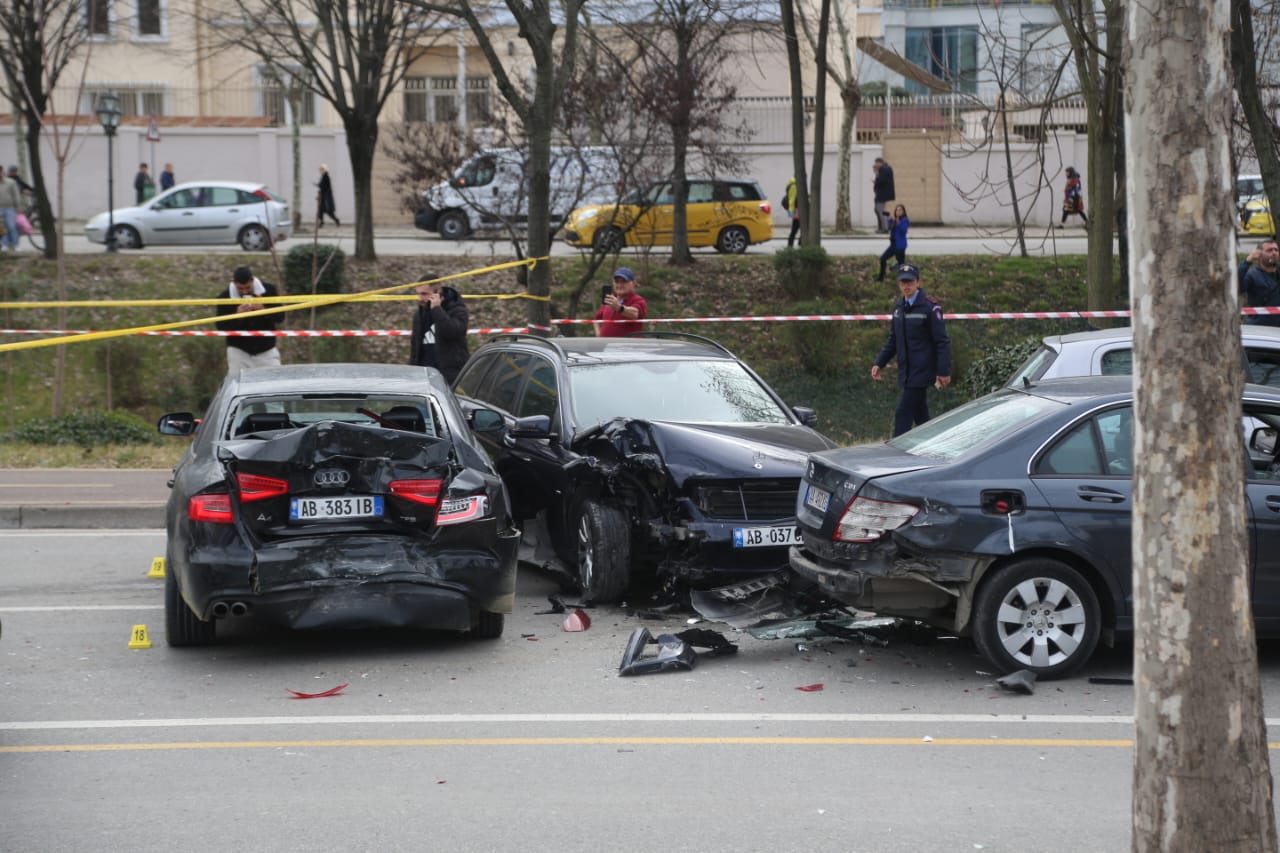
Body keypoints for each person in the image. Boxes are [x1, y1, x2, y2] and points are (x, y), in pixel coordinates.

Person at [871, 262, 951, 437]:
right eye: (902, 282)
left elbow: (942, 341)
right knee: (920, 415)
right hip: (906, 370)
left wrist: (943, 370)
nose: (906, 286)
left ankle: (896, 451)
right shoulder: (899, 307)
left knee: (903, 412)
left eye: (910, 282)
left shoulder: (930, 307)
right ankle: (934, 445)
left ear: (918, 283)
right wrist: (880, 362)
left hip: (922, 370)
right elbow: (893, 339)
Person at [215, 265, 282, 374]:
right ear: (234, 283)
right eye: (240, 289)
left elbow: (280, 317)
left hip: (266, 350)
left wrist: (264, 310)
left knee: (275, 382)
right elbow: (221, 327)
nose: (245, 292)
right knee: (237, 384)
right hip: (238, 351)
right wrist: (237, 315)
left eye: (248, 288)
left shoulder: (269, 290)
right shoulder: (224, 297)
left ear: (253, 281)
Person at [409, 275, 470, 384]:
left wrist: (437, 309)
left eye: (424, 294)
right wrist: (412, 371)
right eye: (418, 294)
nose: (420, 298)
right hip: (424, 375)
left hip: (450, 376)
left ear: (437, 292)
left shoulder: (457, 309)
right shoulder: (419, 314)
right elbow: (415, 347)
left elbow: (453, 332)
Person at [594, 267, 648, 337]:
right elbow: (596, 319)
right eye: (617, 282)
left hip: (628, 346)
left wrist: (619, 308)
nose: (619, 285)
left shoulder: (638, 300)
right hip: (607, 346)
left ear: (633, 283)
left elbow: (635, 313)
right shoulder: (610, 299)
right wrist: (599, 335)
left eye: (623, 282)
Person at [1239, 240, 1280, 327]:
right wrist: (1248, 261)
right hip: (1260, 328)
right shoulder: (1252, 275)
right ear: (1259, 254)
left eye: (1276, 250)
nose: (1274, 253)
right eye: (1269, 250)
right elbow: (1238, 287)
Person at [877, 204, 910, 281]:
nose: (898, 211)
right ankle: (881, 277)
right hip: (893, 245)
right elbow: (890, 228)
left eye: (900, 210)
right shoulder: (895, 220)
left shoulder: (905, 220)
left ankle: (905, 279)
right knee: (883, 259)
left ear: (903, 212)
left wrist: (898, 223)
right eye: (897, 210)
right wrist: (889, 219)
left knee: (901, 263)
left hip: (900, 246)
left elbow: (903, 231)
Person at [873, 157, 896, 233]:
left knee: (880, 210)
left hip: (882, 193)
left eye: (876, 163)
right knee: (880, 210)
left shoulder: (883, 169)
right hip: (884, 193)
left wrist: (876, 173)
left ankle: (885, 228)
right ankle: (885, 224)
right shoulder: (886, 168)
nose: (875, 165)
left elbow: (881, 181)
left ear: (880, 163)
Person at [0, 170, 21, 253]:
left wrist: (18, 207)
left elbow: (16, 195)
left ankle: (16, 244)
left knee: (12, 227)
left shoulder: (11, 182)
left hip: (10, 208)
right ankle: (5, 244)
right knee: (2, 228)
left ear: (2, 172)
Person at [784, 177, 801, 248]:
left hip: (793, 210)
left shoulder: (791, 186)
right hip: (796, 210)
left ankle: (791, 244)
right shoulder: (794, 186)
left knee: (796, 227)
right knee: (797, 227)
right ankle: (794, 244)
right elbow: (794, 199)